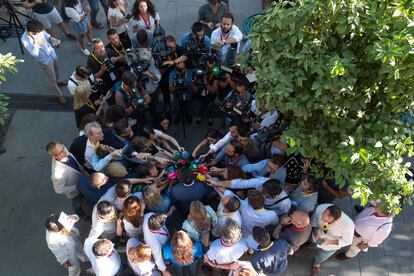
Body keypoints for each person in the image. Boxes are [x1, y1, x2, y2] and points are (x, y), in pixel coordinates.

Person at [21, 19, 68, 105]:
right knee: (52, 79)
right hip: (45, 62)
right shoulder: (25, 39)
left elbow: (46, 35)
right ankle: (59, 95)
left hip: (52, 54)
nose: (41, 32)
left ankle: (59, 81)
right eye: (38, 32)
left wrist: (51, 38)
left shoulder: (38, 28)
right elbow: (34, 54)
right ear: (31, 33)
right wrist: (36, 43)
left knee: (56, 69)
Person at [208, 177, 291, 216]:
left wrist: (264, 213)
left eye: (265, 193)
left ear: (274, 195)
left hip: (263, 211)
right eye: (262, 189)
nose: (261, 192)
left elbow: (282, 212)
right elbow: (240, 183)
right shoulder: (261, 182)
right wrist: (217, 183)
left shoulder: (285, 203)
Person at [310, 204, 354, 275]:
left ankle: (316, 264)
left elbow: (348, 241)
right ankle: (310, 245)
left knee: (322, 256)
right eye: (323, 215)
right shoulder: (320, 208)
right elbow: (314, 220)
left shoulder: (348, 226)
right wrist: (315, 231)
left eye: (326, 220)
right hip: (316, 236)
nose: (322, 219)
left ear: (335, 220)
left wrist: (330, 242)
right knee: (312, 243)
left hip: (330, 247)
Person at [46, 142, 87, 218]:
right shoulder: (57, 173)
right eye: (61, 152)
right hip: (75, 193)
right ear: (55, 157)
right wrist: (77, 187)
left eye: (63, 147)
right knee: (77, 204)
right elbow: (59, 190)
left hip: (81, 181)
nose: (65, 151)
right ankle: (80, 215)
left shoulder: (64, 151)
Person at [160, 36, 187, 111]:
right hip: (165, 73)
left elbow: (186, 55)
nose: (172, 49)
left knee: (179, 91)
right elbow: (159, 63)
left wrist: (173, 62)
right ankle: (167, 105)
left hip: (177, 72)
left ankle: (183, 107)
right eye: (170, 48)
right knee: (165, 91)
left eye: (174, 47)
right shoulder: (162, 51)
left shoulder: (178, 48)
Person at [169, 60, 198, 125]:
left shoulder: (191, 72)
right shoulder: (172, 73)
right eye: (179, 63)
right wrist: (174, 85)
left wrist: (190, 86)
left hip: (189, 96)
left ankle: (188, 117)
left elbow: (196, 90)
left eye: (183, 62)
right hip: (177, 97)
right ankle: (178, 117)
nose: (182, 64)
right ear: (176, 65)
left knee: (189, 109)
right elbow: (171, 90)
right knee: (177, 109)